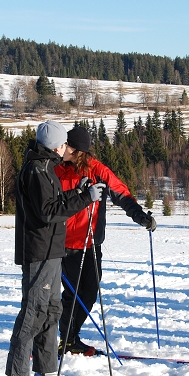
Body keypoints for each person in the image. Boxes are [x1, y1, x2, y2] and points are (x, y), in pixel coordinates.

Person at [5, 121, 105, 376]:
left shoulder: (47, 168)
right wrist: (85, 198)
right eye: (63, 144)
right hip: (39, 252)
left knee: (50, 313)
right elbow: (48, 212)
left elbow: (55, 203)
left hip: (52, 252)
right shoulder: (37, 170)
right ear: (55, 145)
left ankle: (47, 373)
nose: (65, 149)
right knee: (33, 314)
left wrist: (80, 191)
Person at [54, 125, 156, 356]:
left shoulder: (97, 170)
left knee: (89, 293)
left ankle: (70, 337)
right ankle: (65, 340)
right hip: (63, 244)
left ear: (77, 149)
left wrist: (139, 216)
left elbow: (121, 193)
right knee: (72, 294)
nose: (62, 148)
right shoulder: (56, 169)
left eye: (67, 145)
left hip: (90, 244)